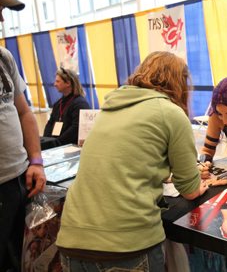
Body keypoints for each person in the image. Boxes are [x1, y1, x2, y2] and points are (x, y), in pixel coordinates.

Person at [56, 51, 208, 271]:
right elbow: (190, 189)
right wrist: (198, 184)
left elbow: (125, 158)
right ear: (180, 83)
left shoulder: (111, 108)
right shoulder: (171, 113)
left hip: (72, 240)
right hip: (126, 244)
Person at [0, 0, 46, 272]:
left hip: (18, 182)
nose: (2, 20)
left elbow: (25, 112)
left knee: (23, 258)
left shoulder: (4, 58)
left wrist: (36, 161)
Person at [41, 67, 90, 149]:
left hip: (70, 146)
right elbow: (50, 123)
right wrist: (47, 140)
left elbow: (76, 128)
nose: (54, 84)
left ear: (68, 83)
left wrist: (57, 142)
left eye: (58, 81)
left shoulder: (80, 104)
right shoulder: (58, 103)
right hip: (57, 144)